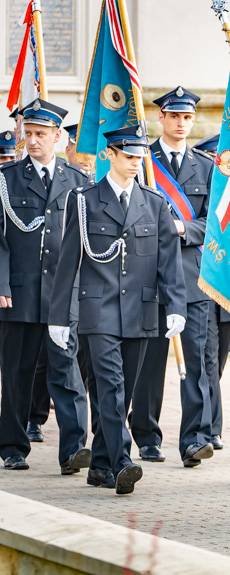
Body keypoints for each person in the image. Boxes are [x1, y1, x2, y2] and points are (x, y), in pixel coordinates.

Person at [48, 124, 186, 494]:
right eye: (128, 156)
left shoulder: (154, 204)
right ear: (110, 154)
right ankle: (124, 459)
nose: (136, 163)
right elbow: (68, 261)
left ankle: (100, 464)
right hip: (99, 310)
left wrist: (175, 306)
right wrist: (59, 316)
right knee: (110, 386)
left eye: (140, 157)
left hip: (140, 312)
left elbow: (168, 262)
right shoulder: (85, 200)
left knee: (121, 395)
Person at [0, 98, 92, 474]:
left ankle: (73, 450)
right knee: (17, 373)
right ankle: (12, 447)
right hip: (17, 294)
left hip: (62, 295)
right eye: (28, 133)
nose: (32, 140)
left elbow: (88, 242)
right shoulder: (6, 180)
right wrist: (1, 283)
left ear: (59, 136)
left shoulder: (79, 181)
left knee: (66, 371)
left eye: (40, 134)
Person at [129, 87, 216, 467]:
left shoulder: (206, 166)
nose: (181, 123)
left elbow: (215, 221)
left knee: (195, 361)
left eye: (187, 117)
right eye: (174, 116)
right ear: (159, 118)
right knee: (151, 362)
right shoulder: (140, 160)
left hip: (192, 277)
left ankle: (194, 438)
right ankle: (146, 435)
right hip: (150, 274)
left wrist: (183, 228)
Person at [192, 133, 230, 451]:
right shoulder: (211, 199)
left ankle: (209, 418)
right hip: (206, 285)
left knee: (218, 360)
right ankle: (210, 428)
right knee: (207, 358)